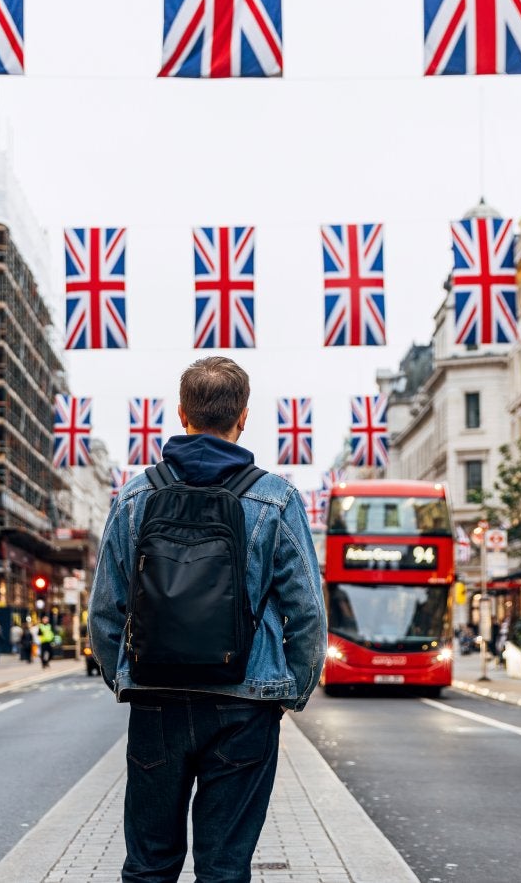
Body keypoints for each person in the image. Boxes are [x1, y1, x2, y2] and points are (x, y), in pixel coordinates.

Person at [89, 356, 326, 883]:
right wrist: (287, 691)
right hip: (244, 706)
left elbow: (105, 610)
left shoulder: (135, 496)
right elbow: (307, 612)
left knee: (149, 864)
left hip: (157, 700)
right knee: (224, 867)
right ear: (243, 417)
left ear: (181, 414)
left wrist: (125, 677)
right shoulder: (275, 498)